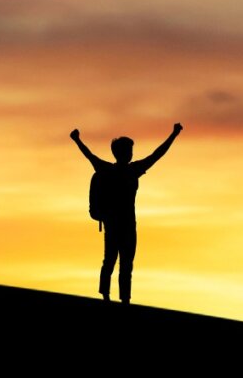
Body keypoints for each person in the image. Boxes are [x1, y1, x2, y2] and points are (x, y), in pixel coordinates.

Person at [72, 123, 182, 303]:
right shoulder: (131, 171)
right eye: (129, 150)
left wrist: (77, 140)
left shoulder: (110, 169)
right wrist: (174, 134)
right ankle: (116, 298)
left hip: (122, 225)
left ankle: (116, 298)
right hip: (122, 225)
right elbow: (157, 155)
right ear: (122, 152)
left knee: (116, 262)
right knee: (117, 263)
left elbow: (89, 155)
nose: (131, 153)